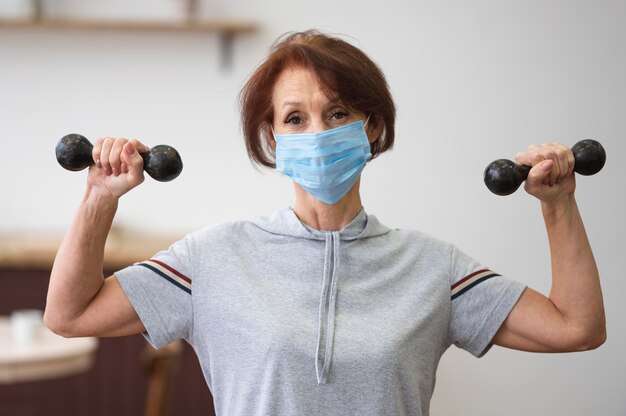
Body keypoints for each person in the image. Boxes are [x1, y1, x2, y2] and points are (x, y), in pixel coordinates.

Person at [45, 30, 606, 416]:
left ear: (371, 127)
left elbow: (576, 327)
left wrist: (558, 205)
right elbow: (70, 314)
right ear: (272, 139)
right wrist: (99, 196)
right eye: (295, 118)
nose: (317, 132)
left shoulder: (434, 269)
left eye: (337, 113)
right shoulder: (211, 259)